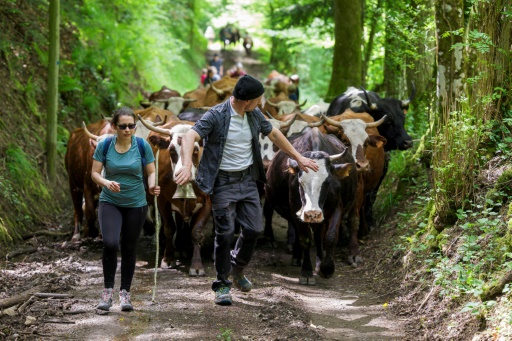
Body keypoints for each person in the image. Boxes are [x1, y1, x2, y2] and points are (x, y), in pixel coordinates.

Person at [175, 75, 318, 306]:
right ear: (247, 100)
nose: (261, 103)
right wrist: (186, 163)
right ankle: (222, 284)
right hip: (222, 182)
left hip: (248, 180)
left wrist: (299, 157)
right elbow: (191, 135)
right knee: (225, 231)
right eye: (259, 99)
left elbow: (274, 134)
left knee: (254, 228)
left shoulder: (254, 114)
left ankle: (237, 268)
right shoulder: (216, 115)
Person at [91, 107, 160, 312]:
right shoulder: (104, 145)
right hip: (110, 201)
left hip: (136, 204)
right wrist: (106, 182)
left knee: (129, 248)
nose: (128, 130)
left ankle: (125, 294)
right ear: (114, 127)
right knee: (111, 243)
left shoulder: (141, 145)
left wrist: (151, 185)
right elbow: (94, 173)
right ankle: (107, 292)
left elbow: (151, 171)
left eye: (131, 126)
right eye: (123, 126)